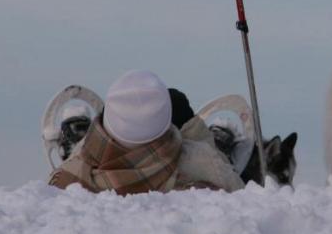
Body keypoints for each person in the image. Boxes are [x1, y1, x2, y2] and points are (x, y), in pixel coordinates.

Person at [49, 70, 244, 194]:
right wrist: (214, 157)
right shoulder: (204, 162)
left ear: (108, 121)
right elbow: (242, 198)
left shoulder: (70, 173)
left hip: (96, 174)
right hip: (182, 171)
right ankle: (220, 152)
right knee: (178, 103)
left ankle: (77, 143)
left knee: (86, 149)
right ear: (167, 124)